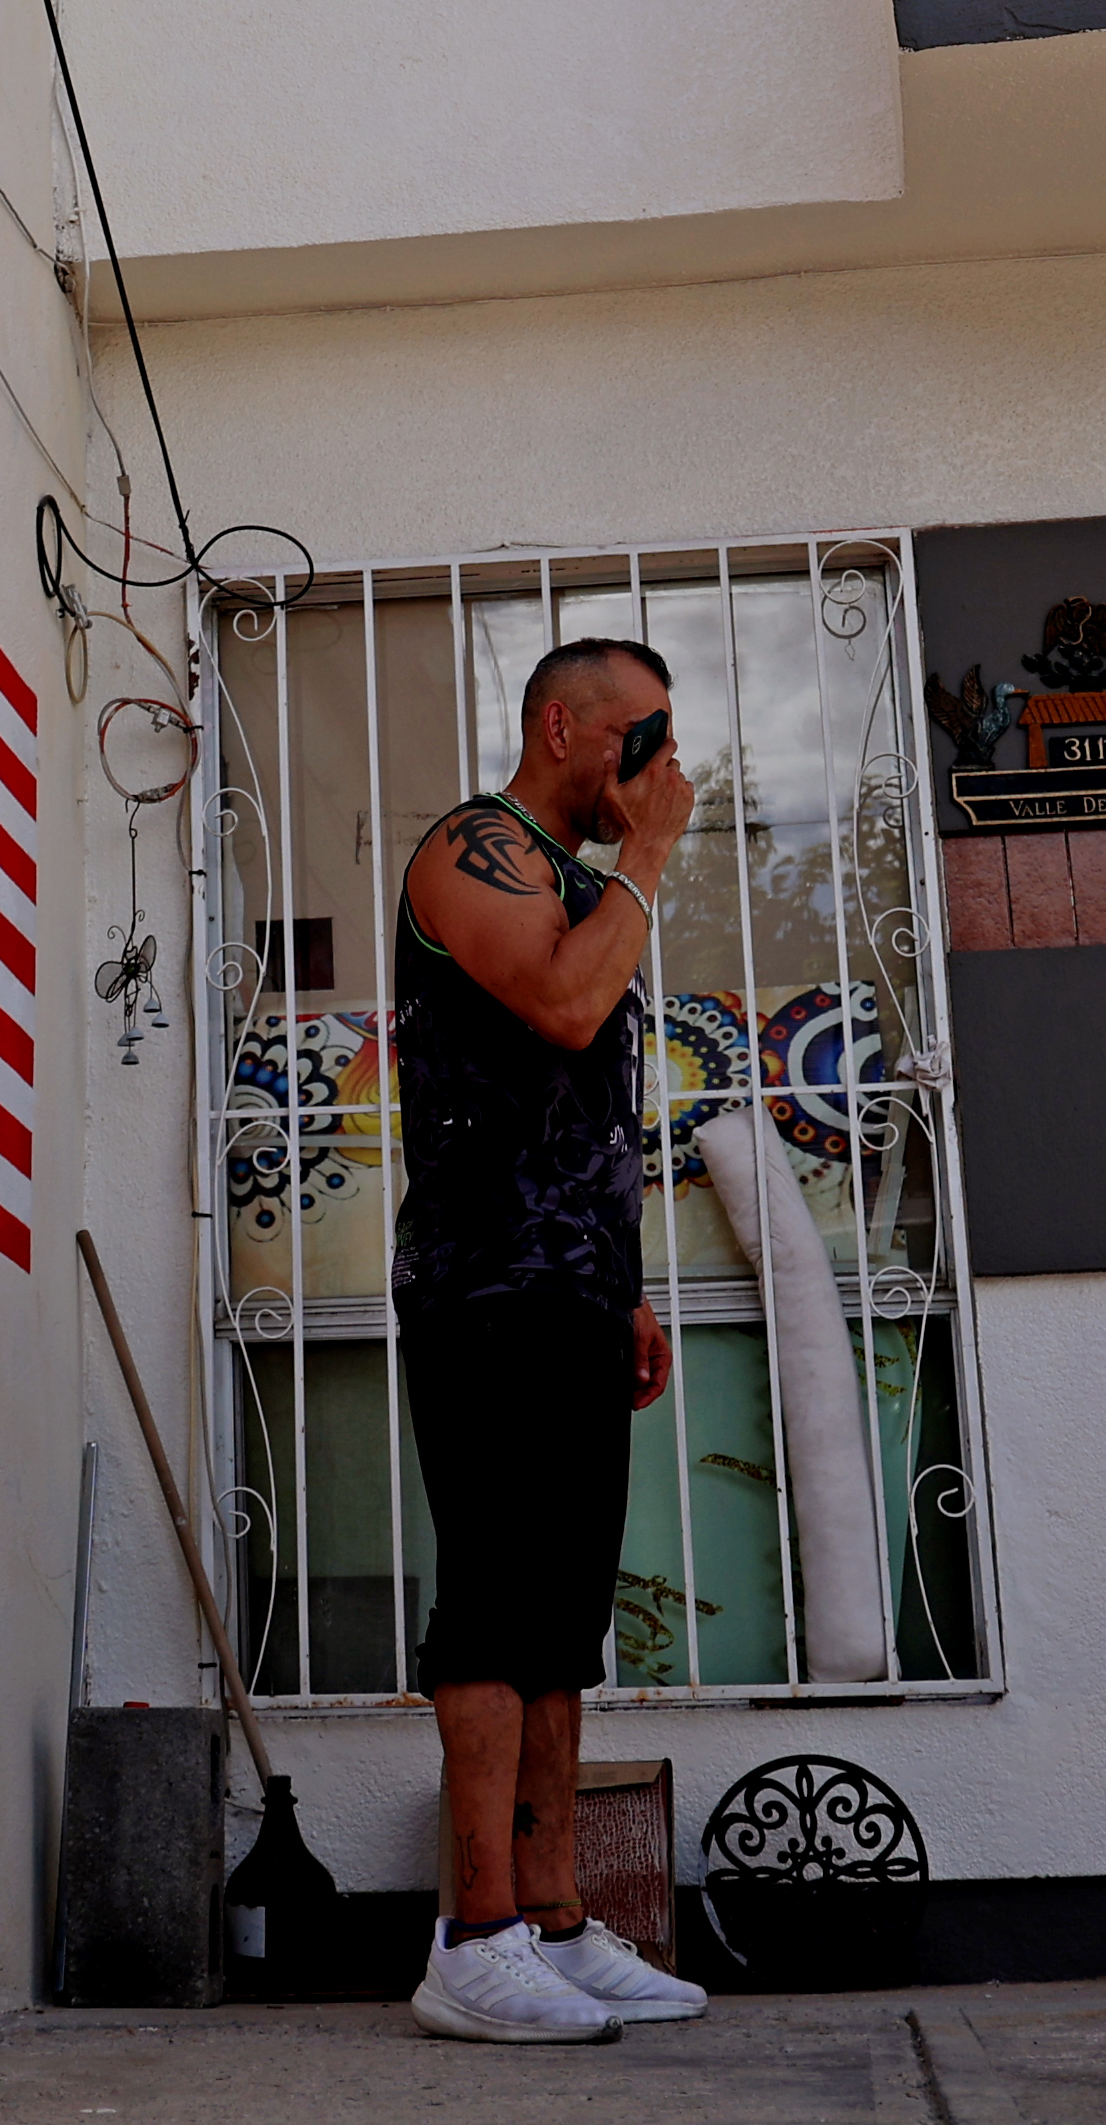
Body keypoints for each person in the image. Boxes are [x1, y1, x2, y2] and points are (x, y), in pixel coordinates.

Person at [385, 636, 714, 2046]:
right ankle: (473, 1938)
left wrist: (624, 1283)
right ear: (563, 724)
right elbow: (568, 1009)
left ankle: (561, 1923)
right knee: (496, 1602)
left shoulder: (589, 882)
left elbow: (582, 1117)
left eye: (669, 742)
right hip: (482, 1290)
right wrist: (647, 855)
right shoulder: (476, 847)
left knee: (565, 1622)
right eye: (640, 737)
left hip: (575, 1290)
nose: (659, 767)